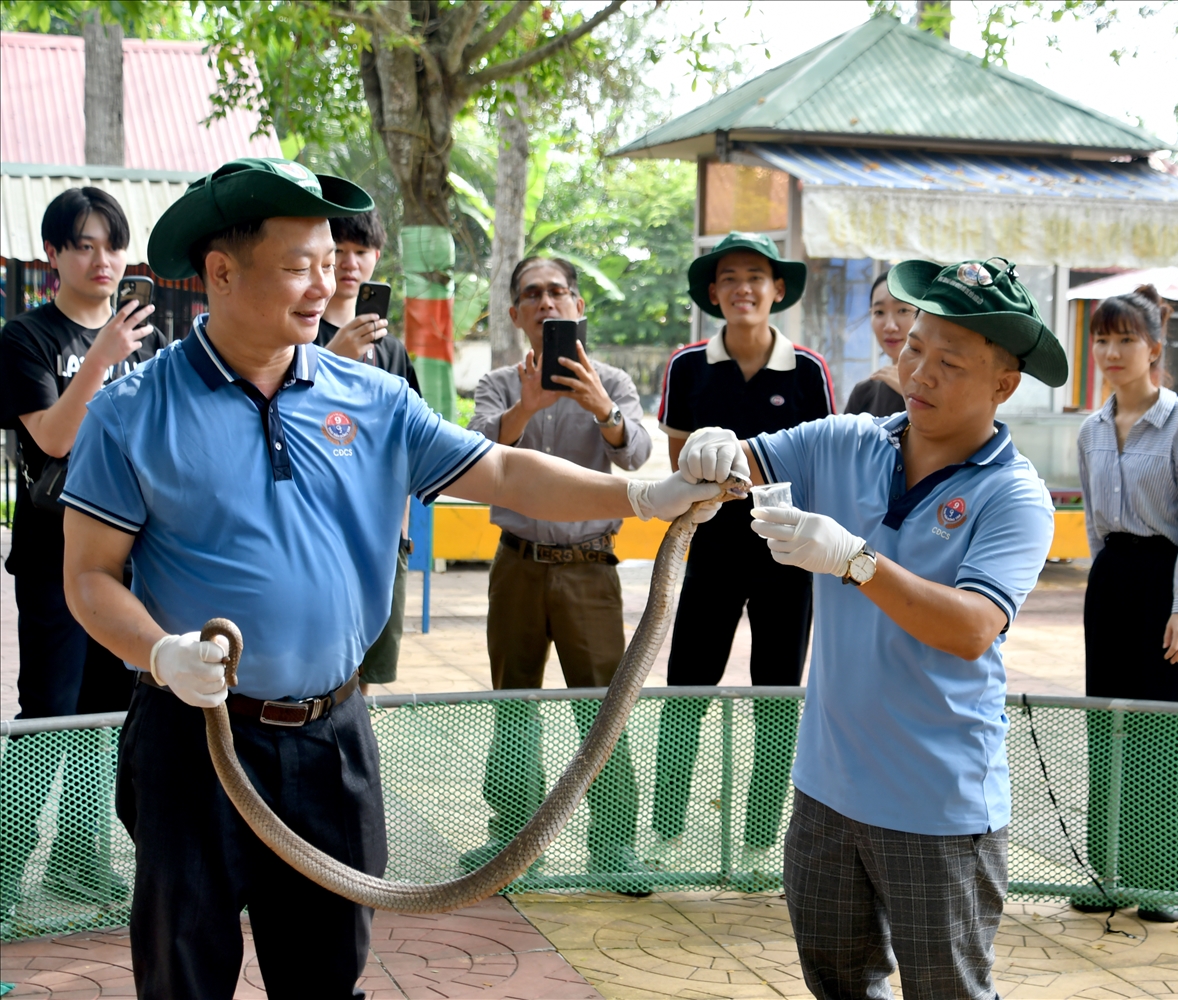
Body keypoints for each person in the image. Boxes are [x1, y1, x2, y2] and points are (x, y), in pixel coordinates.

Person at [56, 156, 723, 997]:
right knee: (184, 971)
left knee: (329, 970)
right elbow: (88, 579)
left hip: (332, 736)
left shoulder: (371, 399)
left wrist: (644, 493)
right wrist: (161, 655)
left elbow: (507, 476)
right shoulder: (132, 410)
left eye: (329, 264)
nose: (323, 285)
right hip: (195, 741)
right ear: (221, 273)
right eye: (299, 266)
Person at [677, 256, 1067, 1000]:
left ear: (1003, 384)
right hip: (825, 789)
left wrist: (857, 561)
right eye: (914, 346)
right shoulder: (851, 441)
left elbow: (973, 627)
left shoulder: (1015, 497)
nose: (918, 371)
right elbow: (746, 464)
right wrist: (719, 447)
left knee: (945, 990)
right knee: (839, 985)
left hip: (938, 806)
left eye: (949, 361)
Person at [0, 187, 165, 919]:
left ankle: (79, 864)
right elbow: (54, 438)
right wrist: (101, 356)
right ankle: (4, 881)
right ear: (54, 256)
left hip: (131, 564)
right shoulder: (25, 338)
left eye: (113, 245)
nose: (103, 260)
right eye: (85, 245)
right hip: (53, 562)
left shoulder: (150, 343)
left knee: (109, 717)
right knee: (50, 714)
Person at [461, 255, 652, 884]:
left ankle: (614, 845)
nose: (546, 303)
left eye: (558, 292)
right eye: (531, 295)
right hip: (516, 566)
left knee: (604, 707)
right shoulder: (496, 384)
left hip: (590, 568)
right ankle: (512, 842)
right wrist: (526, 406)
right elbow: (477, 453)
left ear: (578, 307)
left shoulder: (613, 380)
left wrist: (602, 408)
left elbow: (638, 455)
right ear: (515, 315)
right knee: (514, 702)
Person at [652, 231, 834, 861]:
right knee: (687, 690)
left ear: (777, 290)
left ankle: (763, 841)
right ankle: (665, 834)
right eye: (729, 279)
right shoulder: (687, 366)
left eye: (756, 277)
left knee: (777, 695)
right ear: (713, 294)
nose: (743, 289)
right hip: (712, 552)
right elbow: (677, 457)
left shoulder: (808, 370)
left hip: (788, 556)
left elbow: (823, 463)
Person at [1073, 285, 1178, 924]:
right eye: (1102, 339)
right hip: (1112, 585)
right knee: (1107, 728)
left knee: (1168, 735)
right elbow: (1094, 525)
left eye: (1125, 339)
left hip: (1169, 588)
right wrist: (1108, 577)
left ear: (1153, 348)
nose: (1111, 351)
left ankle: (1169, 879)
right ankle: (1108, 874)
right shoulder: (1091, 428)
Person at [314, 207, 419, 695]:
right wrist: (330, 358)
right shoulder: (300, 337)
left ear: (377, 258)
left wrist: (399, 536)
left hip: (379, 537)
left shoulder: (393, 351)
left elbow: (409, 442)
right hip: (315, 529)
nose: (349, 263)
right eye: (339, 251)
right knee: (319, 668)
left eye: (361, 252)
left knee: (368, 675)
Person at [844, 269, 915, 417]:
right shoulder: (863, 394)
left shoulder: (945, 390)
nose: (889, 326)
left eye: (902, 310)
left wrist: (912, 394)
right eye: (879, 312)